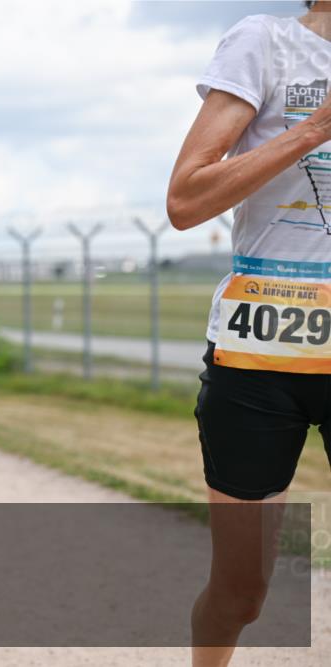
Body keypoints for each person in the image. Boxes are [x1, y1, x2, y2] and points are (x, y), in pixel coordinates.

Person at [167, 3, 331, 666]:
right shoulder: (266, 43)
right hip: (261, 356)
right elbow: (186, 200)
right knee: (240, 594)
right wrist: (315, 128)